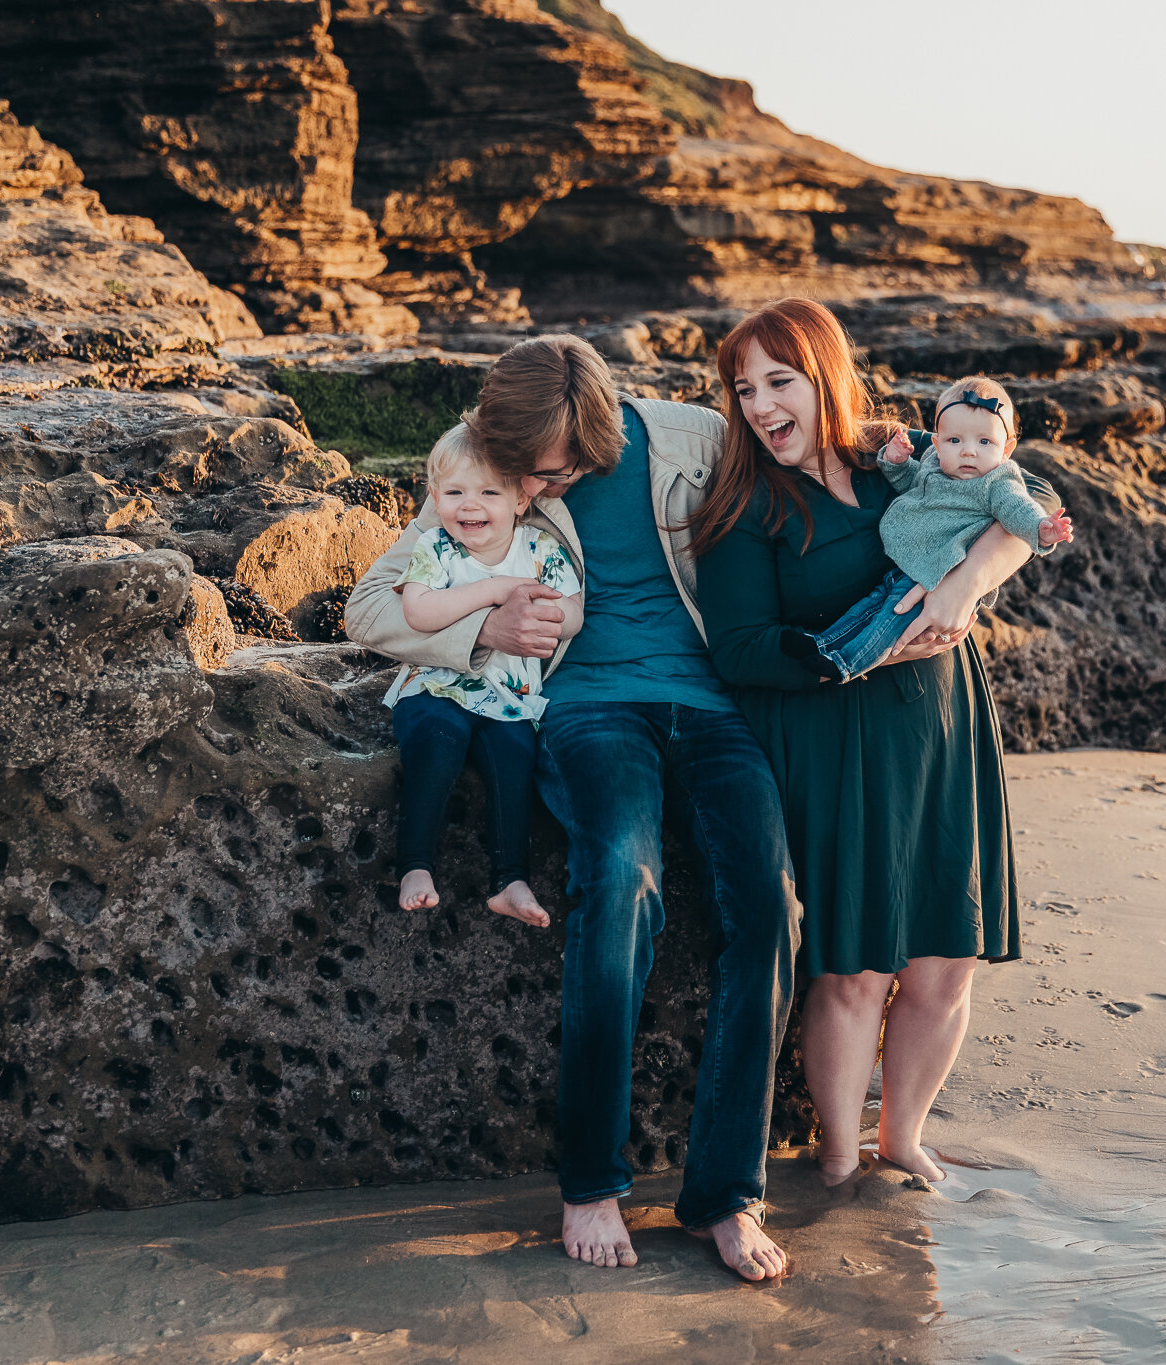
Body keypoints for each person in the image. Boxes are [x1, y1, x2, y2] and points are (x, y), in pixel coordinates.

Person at [345, 335, 799, 1282]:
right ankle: (591, 1181)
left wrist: (917, 456)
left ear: (602, 432)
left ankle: (726, 1192)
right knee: (621, 875)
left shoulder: (693, 438)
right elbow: (372, 604)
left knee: (770, 905)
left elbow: (806, 466)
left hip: (713, 706)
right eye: (526, 474)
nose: (538, 489)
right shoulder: (483, 453)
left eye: (555, 474)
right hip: (586, 709)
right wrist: (481, 627)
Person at [691, 299, 1067, 1187]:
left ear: (825, 377)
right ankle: (834, 1151)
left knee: (946, 957)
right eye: (744, 389)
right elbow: (740, 650)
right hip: (831, 745)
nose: (759, 405)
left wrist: (965, 586)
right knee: (855, 966)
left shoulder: (902, 456)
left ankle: (902, 1135)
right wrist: (877, 649)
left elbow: (1033, 497)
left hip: (942, 731)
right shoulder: (747, 503)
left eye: (779, 381)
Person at [380, 430, 582, 927]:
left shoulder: (539, 549)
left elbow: (573, 615)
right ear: (434, 497)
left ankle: (510, 880)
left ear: (520, 498)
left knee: (514, 760)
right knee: (436, 740)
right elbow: (419, 610)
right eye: (454, 493)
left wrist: (546, 616)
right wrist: (495, 590)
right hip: (435, 685)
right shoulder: (437, 546)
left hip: (508, 698)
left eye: (489, 492)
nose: (470, 506)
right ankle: (415, 866)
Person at [781, 375, 1072, 680]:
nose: (968, 451)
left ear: (1007, 448)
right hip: (911, 562)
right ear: (936, 441)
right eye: (954, 440)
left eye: (984, 442)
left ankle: (845, 664)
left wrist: (1041, 528)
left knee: (890, 619)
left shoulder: (997, 482)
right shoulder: (936, 461)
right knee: (869, 607)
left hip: (938, 571)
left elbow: (1018, 508)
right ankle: (822, 644)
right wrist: (897, 462)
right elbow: (914, 487)